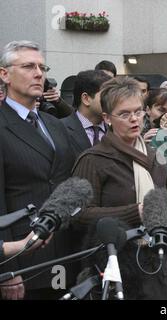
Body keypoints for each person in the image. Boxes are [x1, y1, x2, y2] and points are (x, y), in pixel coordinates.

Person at [71, 76, 167, 300]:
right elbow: (78, 215)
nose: (134, 119)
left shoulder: (156, 156)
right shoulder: (93, 159)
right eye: (124, 114)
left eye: (139, 112)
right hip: (115, 270)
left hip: (158, 264)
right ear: (107, 119)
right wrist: (137, 211)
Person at [0, 40, 77, 299]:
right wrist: (7, 271)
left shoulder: (54, 124)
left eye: (42, 67)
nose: (38, 74)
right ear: (4, 74)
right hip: (25, 259)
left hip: (67, 252)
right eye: (28, 66)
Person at [61, 70, 111, 157]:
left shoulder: (115, 131)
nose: (112, 100)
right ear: (86, 99)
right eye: (106, 95)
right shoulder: (60, 129)